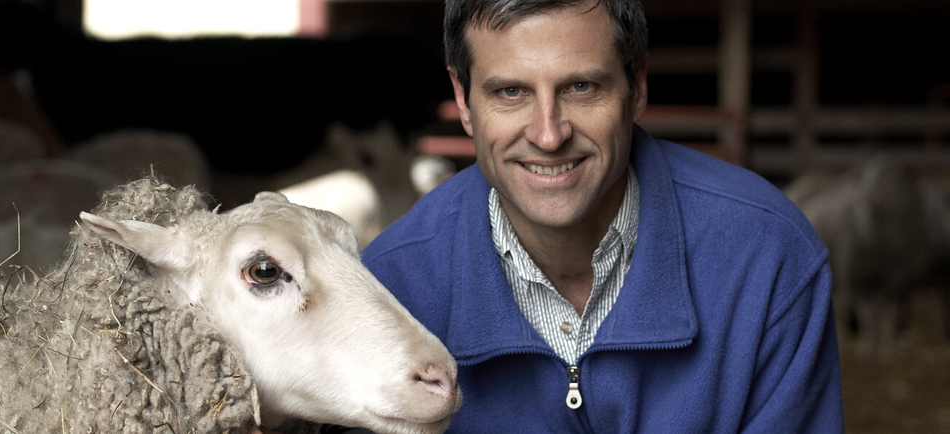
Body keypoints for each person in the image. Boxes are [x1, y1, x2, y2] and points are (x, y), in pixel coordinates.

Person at [357, 0, 845, 432]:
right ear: (464, 100)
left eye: (581, 86)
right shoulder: (388, 291)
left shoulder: (767, 255)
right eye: (510, 92)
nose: (549, 136)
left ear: (637, 85)